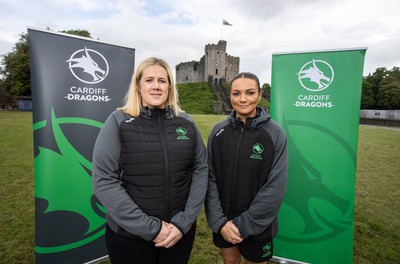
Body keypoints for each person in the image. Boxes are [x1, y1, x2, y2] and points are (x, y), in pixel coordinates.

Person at [92, 57, 208, 264]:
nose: (156, 86)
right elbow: (104, 180)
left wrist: (183, 223)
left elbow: (200, 169)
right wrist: (151, 228)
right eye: (149, 80)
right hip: (129, 237)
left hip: (178, 234)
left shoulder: (186, 122)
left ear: (170, 86)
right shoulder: (118, 121)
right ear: (138, 85)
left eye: (162, 81)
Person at [205, 72, 288, 264]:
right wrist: (220, 221)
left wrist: (244, 224)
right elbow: (209, 178)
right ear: (230, 95)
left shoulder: (274, 132)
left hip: (259, 224)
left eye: (249, 93)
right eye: (236, 93)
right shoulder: (218, 131)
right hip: (224, 222)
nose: (242, 99)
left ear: (259, 95)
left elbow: (275, 186)